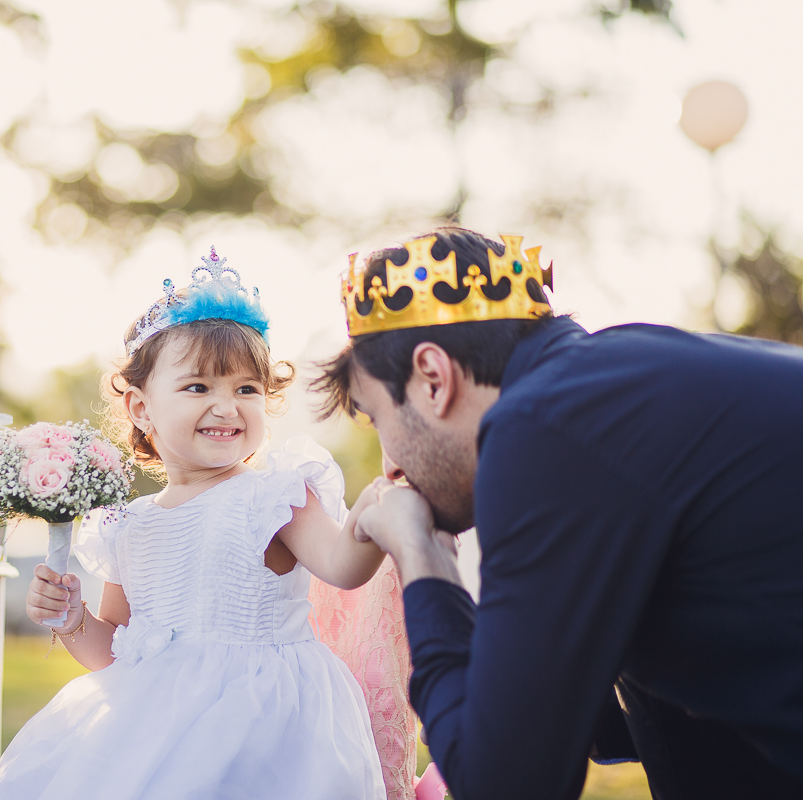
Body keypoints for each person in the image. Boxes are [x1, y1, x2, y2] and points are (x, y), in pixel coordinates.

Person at [315, 227, 803, 800]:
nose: (390, 466)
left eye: (378, 420)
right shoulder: (601, 384)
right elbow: (596, 721)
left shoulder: (544, 430)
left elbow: (509, 783)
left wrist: (423, 560)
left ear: (432, 377)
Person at [0, 248, 390, 800]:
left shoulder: (274, 495)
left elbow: (343, 566)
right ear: (140, 407)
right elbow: (115, 651)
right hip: (151, 723)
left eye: (246, 389)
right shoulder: (127, 525)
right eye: (198, 387)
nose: (227, 407)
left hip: (266, 725)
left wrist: (376, 506)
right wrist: (71, 617)